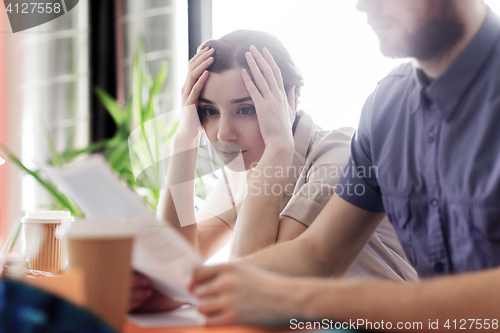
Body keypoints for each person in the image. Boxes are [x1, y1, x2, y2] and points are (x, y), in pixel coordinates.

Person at [190, 0, 500, 329]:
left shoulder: (331, 152)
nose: (363, 4)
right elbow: (318, 254)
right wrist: (197, 287)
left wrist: (301, 300)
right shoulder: (387, 107)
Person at [130, 30, 417, 312]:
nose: (222, 133)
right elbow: (177, 262)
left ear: (289, 100)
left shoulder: (336, 157)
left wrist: (280, 146)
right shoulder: (245, 167)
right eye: (209, 111)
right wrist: (185, 138)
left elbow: (252, 286)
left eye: (245, 110)